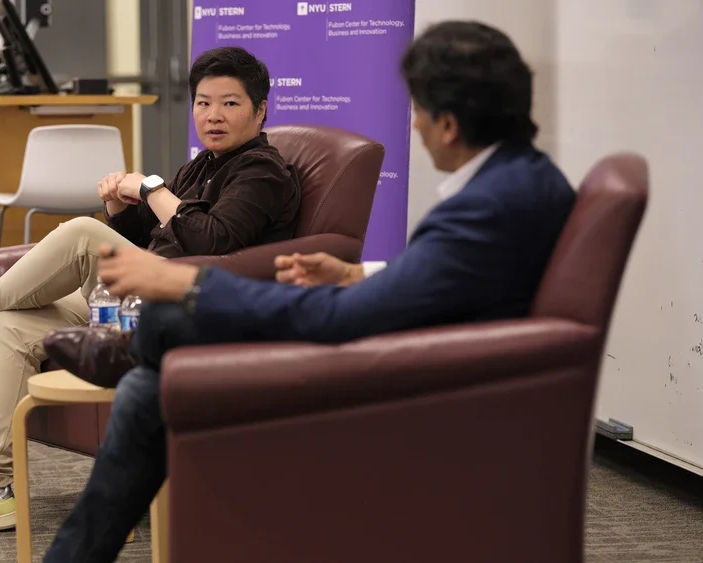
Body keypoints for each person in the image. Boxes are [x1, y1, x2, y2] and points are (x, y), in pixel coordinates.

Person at [40, 20, 577, 562]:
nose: (412, 124)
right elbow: (445, 283)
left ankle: (132, 349)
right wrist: (353, 273)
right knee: (146, 389)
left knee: (164, 332)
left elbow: (344, 321)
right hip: (430, 367)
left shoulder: (487, 208)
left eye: (416, 109)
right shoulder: (525, 183)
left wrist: (189, 282)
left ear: (450, 123)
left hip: (405, 388)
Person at [0, 45, 301, 539]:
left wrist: (150, 186)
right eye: (203, 102)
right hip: (131, 299)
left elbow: (211, 239)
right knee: (14, 324)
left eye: (231, 103)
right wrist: (117, 209)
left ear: (260, 111)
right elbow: (153, 233)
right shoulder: (204, 166)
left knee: (80, 235)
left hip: (183, 304)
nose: (214, 115)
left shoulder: (262, 170)